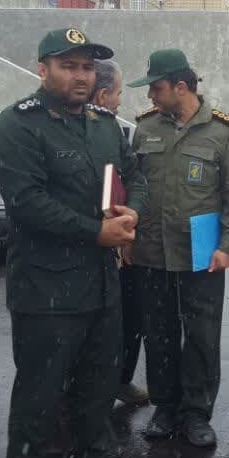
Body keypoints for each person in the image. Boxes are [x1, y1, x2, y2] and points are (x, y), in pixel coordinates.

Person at [0, 28, 145, 458]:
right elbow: (27, 202)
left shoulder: (104, 125)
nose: (81, 76)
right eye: (69, 65)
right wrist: (95, 232)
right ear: (43, 69)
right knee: (39, 397)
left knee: (97, 388)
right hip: (46, 289)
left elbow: (134, 173)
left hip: (101, 284)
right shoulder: (19, 124)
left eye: (87, 68)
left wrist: (131, 210)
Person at [127, 48, 229, 448]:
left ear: (181, 87)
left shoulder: (224, 131)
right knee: (158, 334)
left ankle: (197, 413)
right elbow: (133, 186)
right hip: (151, 252)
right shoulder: (145, 128)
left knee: (201, 334)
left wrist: (228, 245)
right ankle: (165, 407)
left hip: (202, 254)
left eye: (156, 88)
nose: (150, 97)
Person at [91, 59, 150, 406]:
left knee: (130, 318)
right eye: (117, 94)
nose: (120, 102)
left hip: (122, 243)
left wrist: (133, 215)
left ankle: (121, 380)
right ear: (102, 94)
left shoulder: (112, 129)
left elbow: (133, 177)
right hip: (87, 246)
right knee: (94, 328)